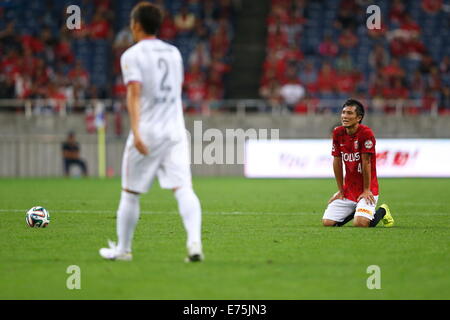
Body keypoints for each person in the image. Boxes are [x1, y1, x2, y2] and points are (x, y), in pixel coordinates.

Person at [99, 2, 203, 262]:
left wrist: (135, 131)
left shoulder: (132, 55)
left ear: (135, 25)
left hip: (148, 131)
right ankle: (194, 243)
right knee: (183, 188)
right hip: (175, 131)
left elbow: (134, 94)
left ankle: (123, 250)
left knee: (130, 192)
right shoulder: (174, 53)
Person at [322, 99, 395, 228]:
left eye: (349, 113)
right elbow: (337, 162)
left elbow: (366, 162)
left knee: (361, 223)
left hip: (368, 188)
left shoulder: (366, 134)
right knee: (328, 223)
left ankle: (382, 211)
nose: (345, 116)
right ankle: (358, 210)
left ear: (358, 118)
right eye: (343, 112)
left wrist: (367, 190)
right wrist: (340, 190)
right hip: (349, 189)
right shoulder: (337, 133)